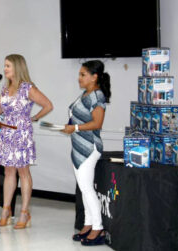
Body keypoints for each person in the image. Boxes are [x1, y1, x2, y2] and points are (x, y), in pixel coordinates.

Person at [0, 54, 53, 229]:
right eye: (4, 66)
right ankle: (6, 210)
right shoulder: (3, 89)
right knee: (8, 172)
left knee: (23, 172)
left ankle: (24, 213)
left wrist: (34, 118)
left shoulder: (28, 88)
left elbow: (48, 105)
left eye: (8, 66)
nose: (5, 69)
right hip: (6, 132)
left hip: (21, 133)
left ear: (17, 67)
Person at [61, 60, 111, 246]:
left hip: (90, 147)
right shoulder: (85, 94)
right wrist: (70, 127)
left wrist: (74, 127)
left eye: (83, 74)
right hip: (78, 147)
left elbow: (97, 124)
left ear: (94, 77)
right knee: (84, 188)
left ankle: (98, 228)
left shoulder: (97, 96)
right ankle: (88, 224)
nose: (79, 78)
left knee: (88, 189)